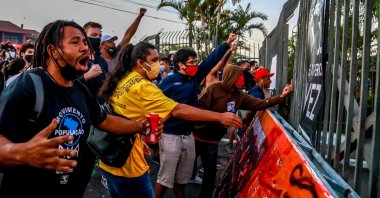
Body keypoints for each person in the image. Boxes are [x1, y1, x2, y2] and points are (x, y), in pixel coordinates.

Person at [0, 20, 163, 198]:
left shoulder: (80, 90)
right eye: (75, 42)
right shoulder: (29, 84)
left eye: (85, 42)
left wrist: (140, 126)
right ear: (53, 51)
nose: (85, 47)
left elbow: (105, 120)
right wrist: (22, 153)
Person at [97, 42, 242, 198]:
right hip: (129, 167)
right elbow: (178, 110)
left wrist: (140, 136)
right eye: (154, 60)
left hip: (110, 159)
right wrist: (219, 116)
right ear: (140, 62)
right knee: (164, 179)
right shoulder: (145, 87)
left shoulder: (124, 79)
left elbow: (124, 116)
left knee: (180, 179)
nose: (159, 64)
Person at [155, 33, 238, 198]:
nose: (194, 65)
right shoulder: (168, 82)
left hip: (188, 135)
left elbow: (209, 61)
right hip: (170, 135)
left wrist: (226, 43)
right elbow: (154, 105)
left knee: (182, 178)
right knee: (165, 178)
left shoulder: (193, 78)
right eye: (191, 62)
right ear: (180, 64)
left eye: (194, 61)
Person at [193, 65, 293, 197]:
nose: (242, 79)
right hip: (197, 137)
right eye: (239, 76)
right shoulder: (213, 89)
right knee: (186, 171)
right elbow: (198, 110)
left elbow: (260, 104)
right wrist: (218, 118)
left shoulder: (240, 96)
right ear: (231, 77)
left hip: (213, 141)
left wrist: (281, 96)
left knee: (210, 174)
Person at [101, 8, 147, 74]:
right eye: (110, 42)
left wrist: (140, 16)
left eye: (113, 41)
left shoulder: (117, 53)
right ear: (102, 44)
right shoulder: (97, 60)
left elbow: (129, 34)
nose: (113, 44)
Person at [81, 21, 108, 97]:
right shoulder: (75, 59)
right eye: (94, 35)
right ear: (84, 36)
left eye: (100, 35)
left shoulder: (102, 61)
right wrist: (86, 76)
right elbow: (66, 84)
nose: (98, 38)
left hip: (97, 104)